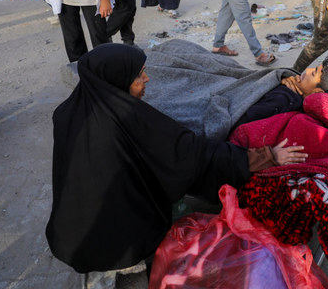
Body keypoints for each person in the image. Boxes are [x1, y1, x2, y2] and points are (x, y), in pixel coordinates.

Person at [46, 43, 306, 274]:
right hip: (121, 247)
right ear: (115, 79)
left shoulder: (66, 113)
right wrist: (266, 156)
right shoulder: (130, 122)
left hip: (67, 240)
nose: (147, 79)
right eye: (138, 75)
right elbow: (193, 155)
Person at [233, 55, 328, 129]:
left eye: (313, 73)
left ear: (318, 92)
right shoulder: (290, 86)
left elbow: (239, 119)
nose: (307, 70)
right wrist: (279, 78)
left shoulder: (283, 101)